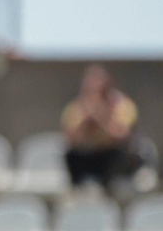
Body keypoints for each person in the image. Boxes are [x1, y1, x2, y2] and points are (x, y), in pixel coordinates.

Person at [61, 63, 153, 192]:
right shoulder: (77, 108)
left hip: (114, 157)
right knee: (71, 156)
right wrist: (85, 123)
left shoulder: (122, 105)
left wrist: (100, 115)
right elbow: (70, 139)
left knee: (115, 155)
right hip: (89, 156)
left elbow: (121, 136)